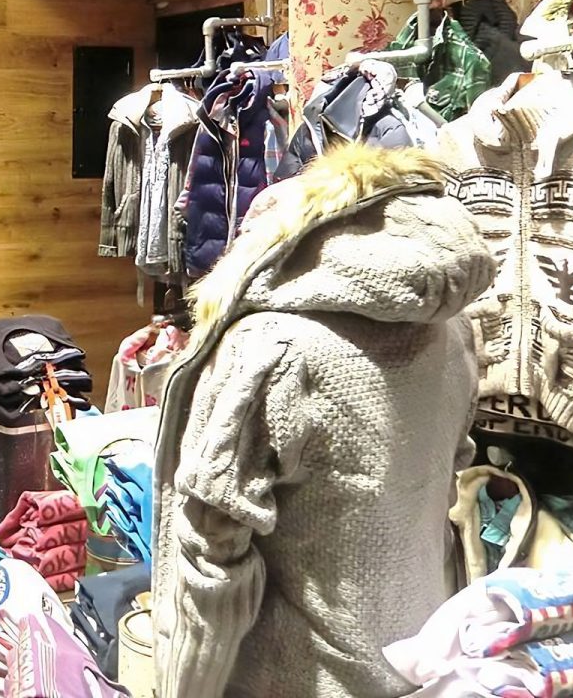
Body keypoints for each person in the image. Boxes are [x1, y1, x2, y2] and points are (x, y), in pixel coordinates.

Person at [151, 144, 494, 698]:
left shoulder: (270, 348)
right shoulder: (452, 328)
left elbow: (212, 555)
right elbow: (445, 487)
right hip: (417, 655)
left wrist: (184, 688)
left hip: (292, 677)